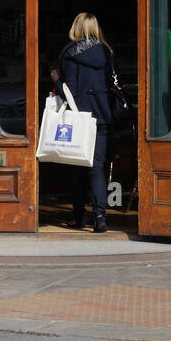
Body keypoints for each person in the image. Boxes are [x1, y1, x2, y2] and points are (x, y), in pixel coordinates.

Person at [55, 12, 116, 233]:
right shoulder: (105, 52)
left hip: (78, 117)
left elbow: (68, 90)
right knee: (97, 168)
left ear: (76, 27)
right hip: (100, 116)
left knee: (77, 169)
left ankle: (79, 217)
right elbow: (110, 83)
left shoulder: (69, 54)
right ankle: (100, 216)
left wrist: (56, 80)